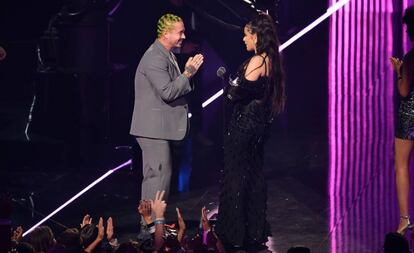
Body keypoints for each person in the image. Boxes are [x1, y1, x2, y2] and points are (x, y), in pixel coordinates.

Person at [215, 14, 285, 251]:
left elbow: (235, 95)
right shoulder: (273, 60)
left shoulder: (257, 61)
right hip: (258, 128)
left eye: (246, 35)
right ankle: (252, 230)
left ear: (255, 36)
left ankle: (234, 233)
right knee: (253, 176)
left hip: (244, 127)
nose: (243, 39)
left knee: (236, 176)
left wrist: (228, 85)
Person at [130, 13, 204, 202]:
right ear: (166, 34)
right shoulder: (155, 58)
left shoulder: (166, 54)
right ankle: (151, 226)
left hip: (157, 129)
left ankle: (154, 224)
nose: (184, 37)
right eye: (180, 32)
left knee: (160, 178)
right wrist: (188, 73)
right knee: (158, 178)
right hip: (152, 129)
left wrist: (188, 75)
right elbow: (168, 92)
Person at [390, 5, 414, 235]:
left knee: (402, 166)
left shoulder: (410, 58)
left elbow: (405, 91)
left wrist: (399, 70)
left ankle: (405, 219)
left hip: (410, 115)